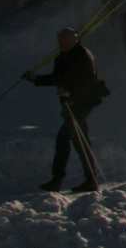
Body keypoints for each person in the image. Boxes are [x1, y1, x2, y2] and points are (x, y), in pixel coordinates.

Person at [24, 28, 104, 192]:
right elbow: (57, 78)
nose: (63, 45)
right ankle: (91, 180)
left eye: (65, 42)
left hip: (83, 103)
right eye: (61, 42)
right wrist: (35, 79)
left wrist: (72, 95)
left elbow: (88, 83)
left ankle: (57, 180)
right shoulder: (62, 58)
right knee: (80, 141)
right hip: (71, 104)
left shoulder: (83, 56)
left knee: (63, 138)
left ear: (73, 41)